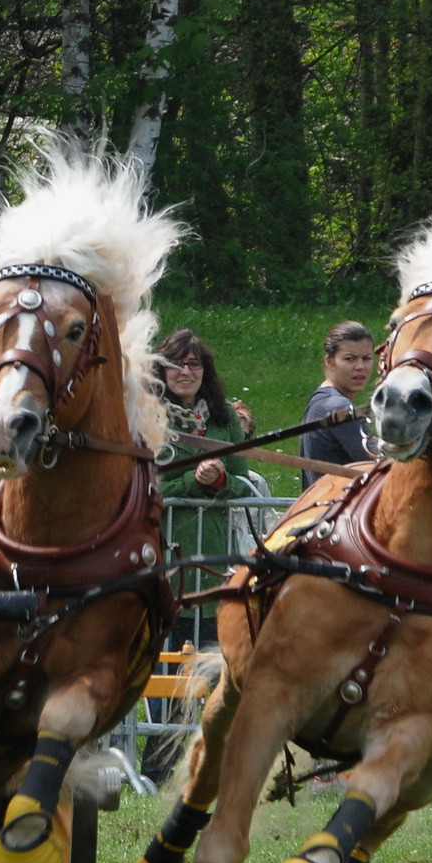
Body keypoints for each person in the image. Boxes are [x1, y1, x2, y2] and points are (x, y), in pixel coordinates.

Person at [143, 329, 257, 783]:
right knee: (169, 679)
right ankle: (156, 771)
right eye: (177, 364)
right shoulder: (146, 418)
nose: (186, 372)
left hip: (213, 569)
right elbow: (149, 487)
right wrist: (194, 482)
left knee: (216, 678)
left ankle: (209, 771)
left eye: (195, 365)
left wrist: (219, 481)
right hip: (166, 569)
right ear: (160, 370)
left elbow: (242, 482)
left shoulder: (224, 418)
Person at [298, 321, 376, 488]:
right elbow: (382, 467)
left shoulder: (320, 402)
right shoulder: (335, 406)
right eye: (350, 359)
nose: (360, 367)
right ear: (330, 361)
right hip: (340, 510)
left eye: (367, 358)